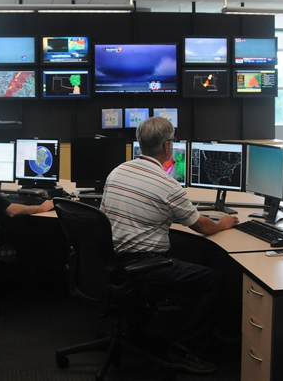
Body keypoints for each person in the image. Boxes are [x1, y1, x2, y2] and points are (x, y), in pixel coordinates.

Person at [100, 116, 238, 375]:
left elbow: (103, 216)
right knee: (214, 279)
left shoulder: (117, 172)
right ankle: (185, 348)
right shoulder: (167, 185)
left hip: (112, 262)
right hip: (146, 268)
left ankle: (147, 327)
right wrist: (225, 223)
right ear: (166, 146)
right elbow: (202, 227)